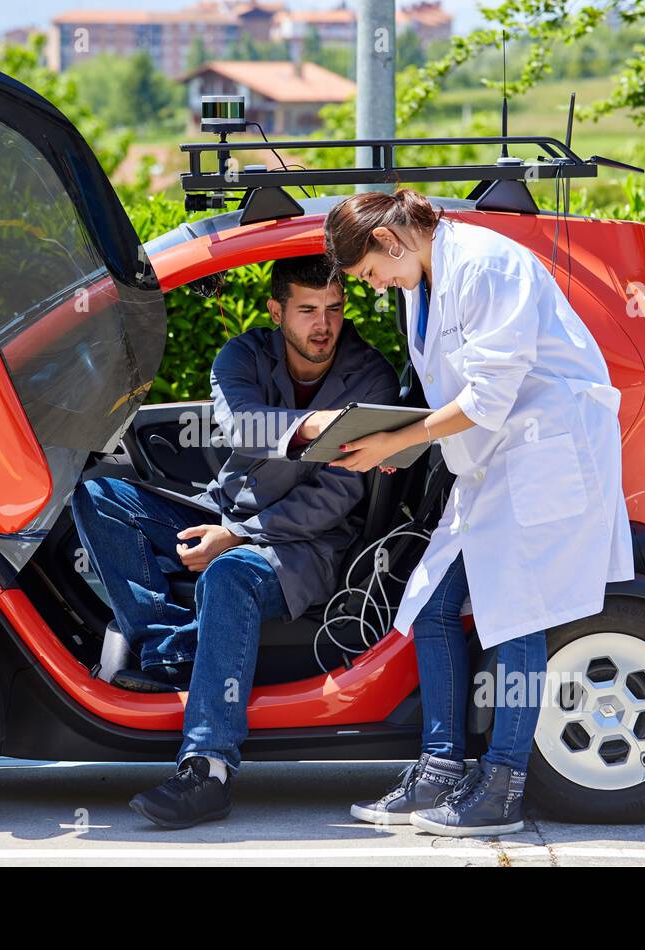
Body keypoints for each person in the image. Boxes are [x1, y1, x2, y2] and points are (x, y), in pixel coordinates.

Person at [323, 189, 634, 836]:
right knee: (434, 605)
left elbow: (489, 396)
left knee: (518, 614)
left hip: (543, 449)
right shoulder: (425, 279)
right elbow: (453, 390)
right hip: (493, 461)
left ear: (390, 241)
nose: (377, 288)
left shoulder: (490, 266)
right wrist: (394, 442)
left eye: (371, 275)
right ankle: (439, 768)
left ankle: (502, 788)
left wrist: (399, 440)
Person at [70, 254, 399, 828]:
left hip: (305, 546)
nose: (324, 325)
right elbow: (240, 426)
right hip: (225, 511)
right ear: (276, 311)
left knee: (229, 572)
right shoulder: (241, 356)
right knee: (98, 496)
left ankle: (208, 769)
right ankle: (170, 651)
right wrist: (308, 429)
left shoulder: (370, 378)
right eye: (306, 311)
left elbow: (335, 498)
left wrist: (237, 538)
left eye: (334, 309)